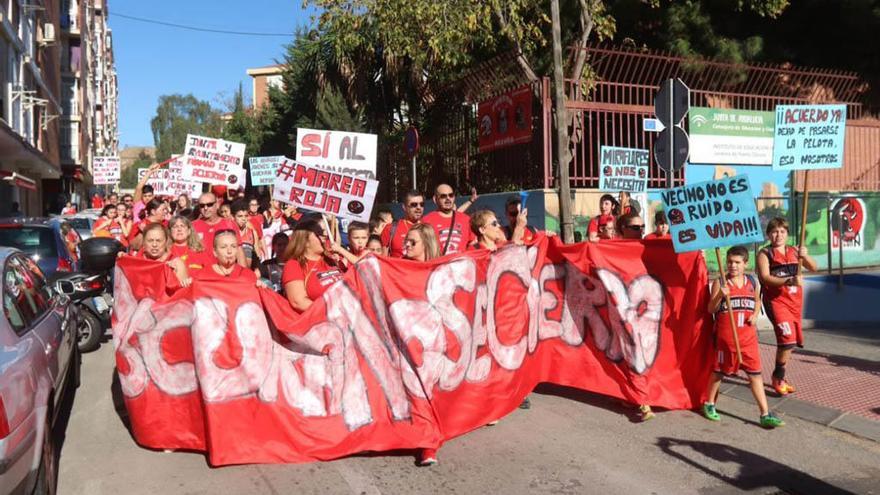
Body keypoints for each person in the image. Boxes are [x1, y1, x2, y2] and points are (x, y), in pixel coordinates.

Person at [703, 246, 785, 428]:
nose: (733, 266)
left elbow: (757, 301)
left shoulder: (752, 282)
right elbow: (710, 309)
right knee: (719, 372)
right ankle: (709, 403)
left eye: (737, 262)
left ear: (745, 263)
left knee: (755, 375)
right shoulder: (721, 282)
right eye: (730, 262)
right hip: (726, 338)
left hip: (748, 339)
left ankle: (765, 413)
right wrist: (719, 296)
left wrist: (756, 315)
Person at [756, 217, 817, 396]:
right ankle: (778, 377)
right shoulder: (764, 253)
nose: (778, 235)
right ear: (768, 234)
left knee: (789, 344)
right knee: (787, 339)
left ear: (787, 234)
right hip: (776, 302)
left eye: (782, 231)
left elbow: (814, 267)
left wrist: (804, 256)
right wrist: (788, 280)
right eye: (774, 231)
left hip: (795, 303)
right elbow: (766, 278)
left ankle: (779, 376)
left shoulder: (794, 251)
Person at [282, 219, 345, 313]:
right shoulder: (294, 265)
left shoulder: (332, 259)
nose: (324, 236)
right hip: (322, 322)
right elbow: (298, 302)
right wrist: (331, 311)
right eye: (318, 234)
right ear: (305, 241)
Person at [194, 230, 265, 286]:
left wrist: (260, 288)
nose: (229, 251)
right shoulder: (203, 275)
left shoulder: (248, 275)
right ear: (215, 252)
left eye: (233, 246)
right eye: (223, 247)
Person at [192, 192, 245, 266]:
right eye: (202, 205)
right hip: (201, 272)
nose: (205, 208)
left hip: (225, 272)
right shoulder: (193, 226)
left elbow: (239, 250)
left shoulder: (229, 224)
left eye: (209, 205)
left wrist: (243, 274)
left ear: (217, 205)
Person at [133, 223, 190, 288]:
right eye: (150, 241)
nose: (154, 244)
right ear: (144, 242)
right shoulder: (137, 261)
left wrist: (173, 276)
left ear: (166, 242)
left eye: (158, 241)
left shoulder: (176, 264)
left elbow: (183, 292)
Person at [422, 184, 473, 255]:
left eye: (451, 195)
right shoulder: (426, 221)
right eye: (443, 196)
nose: (448, 198)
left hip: (462, 264)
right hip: (438, 264)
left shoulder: (466, 219)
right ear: (435, 199)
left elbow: (473, 243)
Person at [381, 190, 425, 257]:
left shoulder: (429, 228)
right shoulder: (390, 229)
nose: (419, 207)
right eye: (414, 205)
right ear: (404, 207)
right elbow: (384, 259)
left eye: (421, 204)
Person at [232, 200, 264, 266]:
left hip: (248, 272)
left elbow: (258, 255)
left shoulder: (252, 232)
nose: (243, 219)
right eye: (240, 216)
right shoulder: (229, 233)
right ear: (233, 217)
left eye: (246, 216)